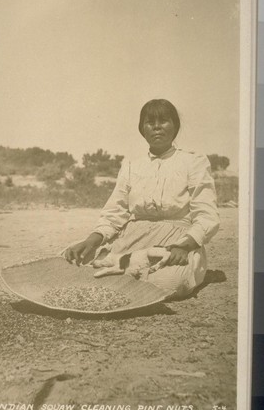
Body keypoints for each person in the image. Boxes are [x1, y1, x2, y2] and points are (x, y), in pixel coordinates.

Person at [64, 99, 220, 297]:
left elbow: (207, 215)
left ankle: (134, 279)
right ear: (142, 129)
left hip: (177, 242)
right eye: (149, 122)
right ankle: (123, 277)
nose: (156, 126)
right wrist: (92, 240)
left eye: (163, 120)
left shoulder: (193, 161)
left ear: (175, 126)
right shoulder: (132, 164)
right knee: (72, 259)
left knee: (165, 282)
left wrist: (184, 245)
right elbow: (116, 211)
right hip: (132, 238)